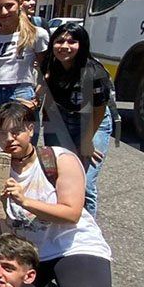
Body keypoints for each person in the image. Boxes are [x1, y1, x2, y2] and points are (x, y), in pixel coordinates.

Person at [0, 102, 112, 287]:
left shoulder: (58, 159)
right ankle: (41, 286)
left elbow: (71, 213)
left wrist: (25, 201)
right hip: (30, 252)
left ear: (30, 129)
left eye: (16, 131)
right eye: (1, 133)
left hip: (71, 244)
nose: (9, 139)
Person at [41, 22, 116, 217]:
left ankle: (87, 231)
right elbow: (48, 92)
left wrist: (86, 141)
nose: (64, 46)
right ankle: (61, 219)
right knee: (57, 175)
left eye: (72, 41)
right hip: (61, 118)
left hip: (92, 121)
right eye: (59, 41)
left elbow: (99, 108)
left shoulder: (94, 72)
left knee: (85, 182)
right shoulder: (50, 64)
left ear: (82, 45)